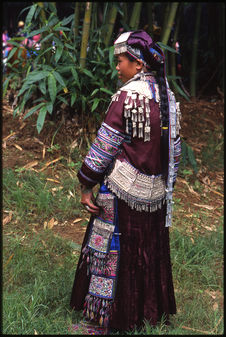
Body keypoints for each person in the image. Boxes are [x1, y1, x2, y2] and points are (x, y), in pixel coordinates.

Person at [69, 30, 181, 335]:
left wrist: (86, 183)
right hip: (155, 194)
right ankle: (148, 312)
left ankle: (108, 317)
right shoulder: (168, 97)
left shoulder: (125, 97)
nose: (117, 68)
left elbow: (104, 146)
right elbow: (176, 151)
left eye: (120, 61)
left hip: (122, 191)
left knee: (113, 250)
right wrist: (162, 186)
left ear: (138, 63)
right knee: (148, 250)